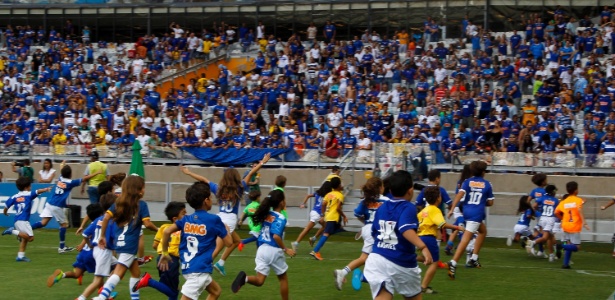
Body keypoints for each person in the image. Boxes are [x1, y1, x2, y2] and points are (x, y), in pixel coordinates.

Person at [180, 153, 271, 276]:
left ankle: (220, 263)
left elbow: (203, 180)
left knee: (236, 241)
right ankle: (201, 266)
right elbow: (250, 173)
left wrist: (189, 173)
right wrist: (262, 162)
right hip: (230, 220)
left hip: (220, 217)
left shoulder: (218, 188)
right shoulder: (239, 188)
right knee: (218, 248)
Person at [362, 170, 432, 299]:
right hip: (401, 263)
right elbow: (405, 229)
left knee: (383, 295)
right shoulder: (408, 207)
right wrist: (423, 248)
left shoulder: (382, 207)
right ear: (410, 190)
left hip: (377, 259)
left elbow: (374, 232)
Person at [158, 182, 232, 300]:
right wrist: (226, 229)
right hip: (199, 269)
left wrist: (165, 253)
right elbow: (229, 243)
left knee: (215, 291)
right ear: (206, 200)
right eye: (210, 197)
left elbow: (166, 232)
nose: (212, 200)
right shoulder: (214, 220)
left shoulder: (186, 219)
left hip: (188, 267)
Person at [92, 175, 159, 300]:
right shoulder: (141, 205)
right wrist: (159, 230)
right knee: (118, 272)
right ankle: (102, 297)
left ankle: (135, 298)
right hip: (130, 244)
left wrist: (102, 236)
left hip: (120, 242)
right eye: (143, 188)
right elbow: (147, 224)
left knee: (135, 273)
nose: (144, 190)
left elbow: (106, 218)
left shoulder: (119, 203)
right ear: (138, 190)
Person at [231, 190, 296, 300]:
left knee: (260, 281)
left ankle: (245, 279)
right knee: (283, 279)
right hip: (273, 250)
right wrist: (286, 249)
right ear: (281, 203)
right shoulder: (281, 218)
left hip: (261, 250)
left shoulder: (266, 214)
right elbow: (276, 236)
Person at [32, 161, 102, 253]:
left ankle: (26, 230)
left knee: (44, 223)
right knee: (64, 225)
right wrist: (97, 173)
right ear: (70, 174)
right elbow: (85, 179)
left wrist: (62, 165)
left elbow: (62, 170)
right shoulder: (70, 182)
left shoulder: (60, 178)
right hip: (56, 205)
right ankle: (62, 247)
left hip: (50, 203)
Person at [333, 177, 388, 291]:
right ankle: (364, 277)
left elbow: (357, 214)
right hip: (379, 230)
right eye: (382, 186)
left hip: (368, 229)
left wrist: (366, 224)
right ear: (380, 188)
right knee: (383, 257)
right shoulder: (386, 201)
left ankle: (343, 272)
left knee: (365, 258)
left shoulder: (366, 201)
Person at [447, 160, 494, 279]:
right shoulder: (487, 184)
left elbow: (459, 195)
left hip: (466, 211)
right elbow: (491, 202)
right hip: (476, 213)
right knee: (466, 239)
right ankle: (453, 263)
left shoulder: (467, 181)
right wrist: (483, 201)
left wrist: (452, 209)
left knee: (483, 231)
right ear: (484, 172)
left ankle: (474, 258)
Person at [132, 201, 187, 300]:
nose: (186, 215)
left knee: (171, 290)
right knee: (174, 292)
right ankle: (148, 281)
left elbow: (155, 245)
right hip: (171, 260)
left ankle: (148, 281)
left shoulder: (163, 228)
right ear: (175, 219)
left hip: (160, 258)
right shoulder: (183, 230)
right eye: (183, 213)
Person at [417, 186, 464, 294]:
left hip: (420, 237)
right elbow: (442, 225)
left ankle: (412, 257)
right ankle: (424, 287)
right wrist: (457, 227)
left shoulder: (423, 211)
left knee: (426, 258)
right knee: (434, 263)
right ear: (438, 198)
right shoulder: (435, 210)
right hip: (429, 238)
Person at [47, 203, 100, 289]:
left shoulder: (92, 224)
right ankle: (104, 293)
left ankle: (61, 275)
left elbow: (86, 235)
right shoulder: (99, 223)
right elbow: (88, 236)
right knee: (101, 274)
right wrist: (88, 245)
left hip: (82, 254)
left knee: (76, 274)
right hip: (91, 254)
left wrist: (82, 245)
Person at [75, 194, 118, 300]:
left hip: (97, 250)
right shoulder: (111, 221)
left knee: (119, 266)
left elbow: (85, 234)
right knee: (97, 280)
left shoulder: (98, 219)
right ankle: (81, 298)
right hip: (104, 251)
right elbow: (114, 237)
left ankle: (106, 294)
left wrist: (90, 245)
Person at [1, 177, 52, 262]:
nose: (31, 187)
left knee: (24, 238)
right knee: (30, 238)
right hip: (23, 220)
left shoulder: (15, 196)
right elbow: (38, 191)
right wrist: (46, 189)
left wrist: (5, 212)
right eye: (30, 186)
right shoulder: (28, 194)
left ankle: (20, 256)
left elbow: (6, 207)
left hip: (17, 220)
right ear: (26, 187)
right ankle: (12, 231)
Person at [555, 181, 590, 269]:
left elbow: (556, 212)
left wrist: (562, 218)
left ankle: (565, 264)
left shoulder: (564, 201)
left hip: (565, 225)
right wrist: (584, 222)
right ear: (576, 191)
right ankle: (560, 246)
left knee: (569, 244)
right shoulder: (578, 200)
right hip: (574, 226)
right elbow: (579, 208)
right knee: (577, 247)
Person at [310, 176, 347, 260]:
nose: (342, 185)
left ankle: (316, 247)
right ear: (338, 186)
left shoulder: (328, 194)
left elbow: (323, 204)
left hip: (329, 216)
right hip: (333, 217)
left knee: (336, 229)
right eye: (341, 184)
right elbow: (338, 208)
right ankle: (315, 251)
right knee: (326, 233)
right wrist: (344, 216)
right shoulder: (340, 195)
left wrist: (323, 215)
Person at [291, 181, 332, 251]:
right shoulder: (327, 196)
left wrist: (303, 203)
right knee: (307, 229)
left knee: (326, 227)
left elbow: (308, 196)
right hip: (318, 214)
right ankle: (296, 243)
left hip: (314, 212)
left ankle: (313, 238)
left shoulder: (318, 193)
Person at [526, 185, 560, 261]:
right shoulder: (556, 201)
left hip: (542, 218)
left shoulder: (542, 198)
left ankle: (551, 255)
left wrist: (536, 211)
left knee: (550, 237)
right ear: (553, 192)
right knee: (545, 237)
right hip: (550, 219)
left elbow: (534, 206)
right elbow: (558, 211)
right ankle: (533, 243)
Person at [528, 173, 547, 253]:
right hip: (544, 214)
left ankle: (540, 251)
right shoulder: (545, 191)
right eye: (546, 180)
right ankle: (531, 244)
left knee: (540, 232)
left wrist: (532, 210)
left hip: (537, 214)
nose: (547, 181)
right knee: (545, 233)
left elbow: (528, 201)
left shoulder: (534, 191)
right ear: (543, 182)